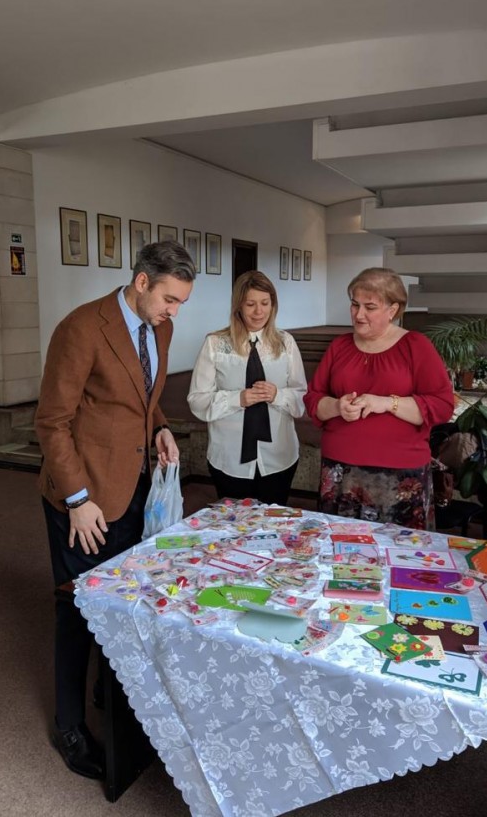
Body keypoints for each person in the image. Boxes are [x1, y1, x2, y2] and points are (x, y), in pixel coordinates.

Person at [35, 240, 196, 780]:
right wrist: (78, 499)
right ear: (142, 281)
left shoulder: (162, 327)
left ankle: (112, 692)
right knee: (77, 611)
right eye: (170, 300)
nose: (175, 313)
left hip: (134, 491)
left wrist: (162, 428)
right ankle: (70, 727)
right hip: (84, 500)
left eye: (181, 303)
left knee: (124, 603)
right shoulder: (81, 328)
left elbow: (145, 402)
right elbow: (52, 422)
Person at [304, 267, 454, 529]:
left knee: (400, 557)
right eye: (354, 304)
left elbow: (442, 406)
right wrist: (338, 407)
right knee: (340, 553)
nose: (358, 314)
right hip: (341, 471)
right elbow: (313, 399)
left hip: (398, 476)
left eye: (369, 307)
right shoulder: (340, 346)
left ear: (392, 310)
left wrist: (386, 403)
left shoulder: (415, 346)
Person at [188, 270, 307, 505]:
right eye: (250, 304)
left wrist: (278, 395)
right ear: (238, 306)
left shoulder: (286, 343)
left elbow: (301, 399)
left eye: (265, 303)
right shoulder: (215, 343)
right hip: (230, 459)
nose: (258, 311)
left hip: (278, 457)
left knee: (275, 523)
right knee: (233, 529)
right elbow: (197, 401)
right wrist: (237, 399)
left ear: (273, 305)